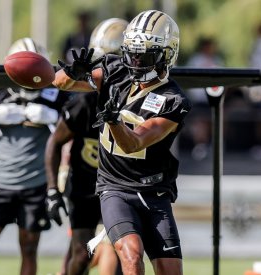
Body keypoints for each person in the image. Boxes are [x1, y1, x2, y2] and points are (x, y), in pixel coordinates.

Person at [54, 10, 190, 275]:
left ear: (166, 55)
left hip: (154, 192)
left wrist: (114, 121)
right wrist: (73, 73)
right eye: (132, 53)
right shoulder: (116, 71)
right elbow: (59, 82)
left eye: (144, 55)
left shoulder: (173, 100)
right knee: (131, 255)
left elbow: (134, 143)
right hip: (115, 188)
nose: (136, 62)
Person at [0, 37, 70, 275]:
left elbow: (75, 127)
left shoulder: (54, 96)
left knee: (29, 248)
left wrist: (56, 119)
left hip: (36, 183)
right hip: (0, 182)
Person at [45, 18, 128, 275]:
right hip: (85, 185)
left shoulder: (139, 99)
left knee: (120, 250)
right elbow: (56, 142)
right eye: (106, 63)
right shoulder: (85, 103)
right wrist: (52, 191)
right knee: (81, 256)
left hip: (120, 184)